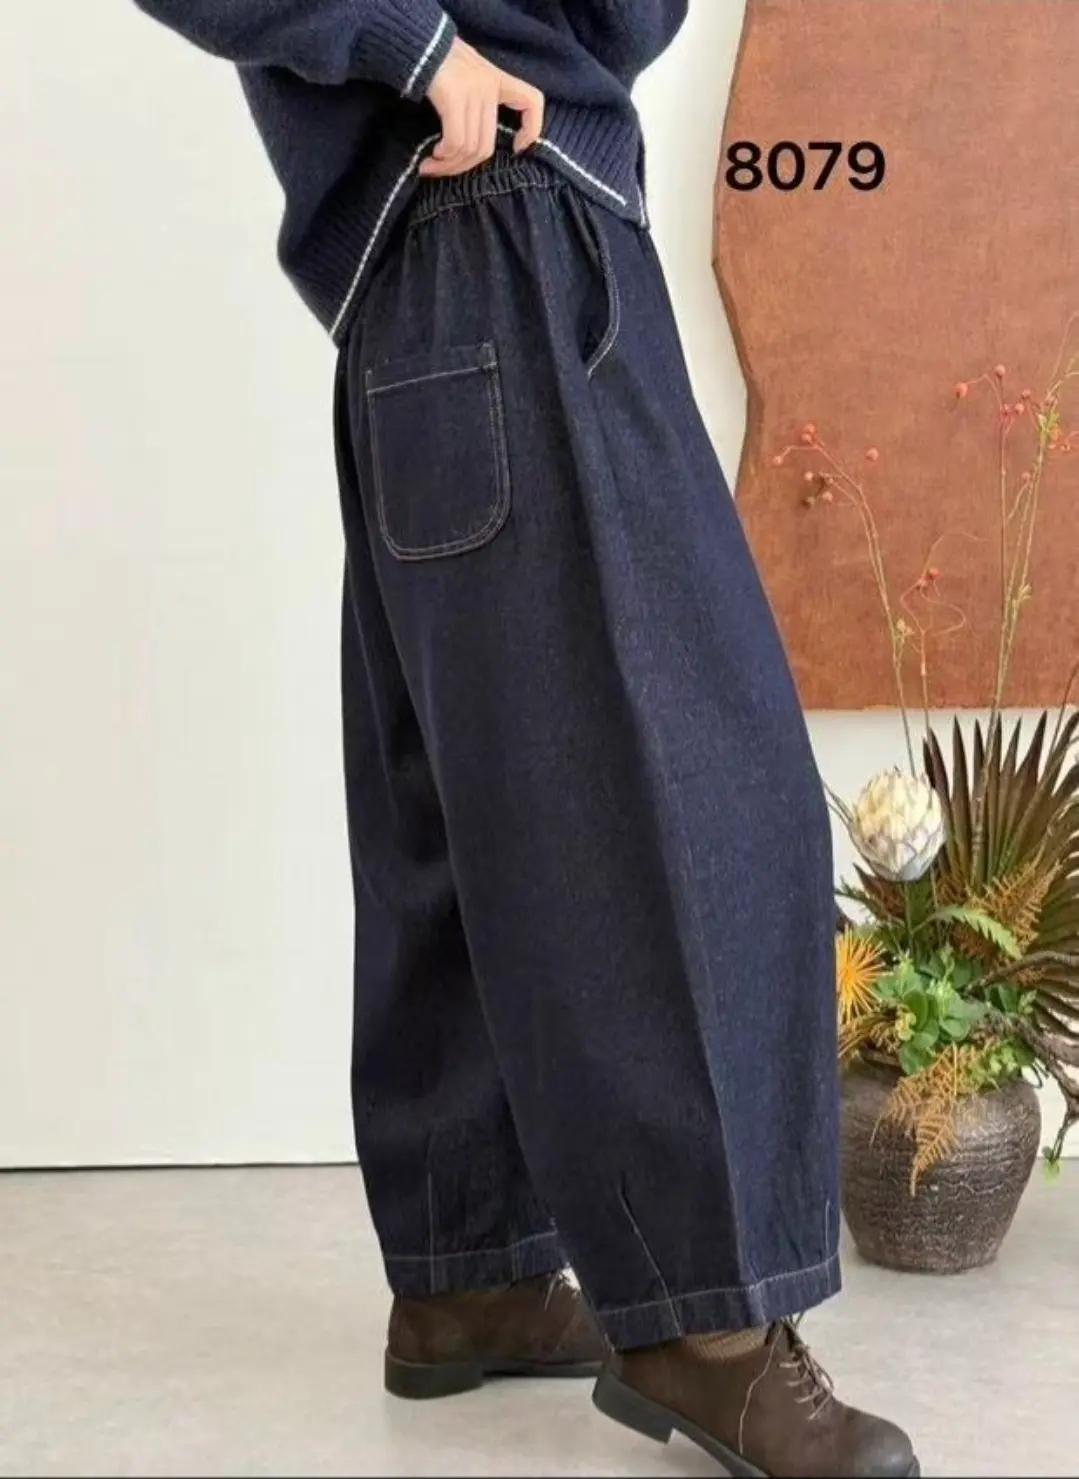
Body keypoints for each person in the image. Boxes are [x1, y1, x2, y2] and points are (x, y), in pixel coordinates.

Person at [130, 4, 918, 1475]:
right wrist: (415, 45)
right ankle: (708, 1330)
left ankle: (469, 1269)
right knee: (669, 780)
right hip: (510, 230)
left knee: (466, 787)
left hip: (431, 269)